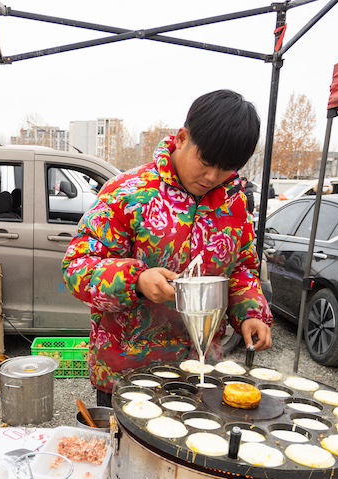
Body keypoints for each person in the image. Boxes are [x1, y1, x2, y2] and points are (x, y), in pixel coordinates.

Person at [62, 89, 273, 407]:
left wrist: (250, 313)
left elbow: (241, 268)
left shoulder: (234, 204)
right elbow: (77, 268)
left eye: (226, 169)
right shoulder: (128, 193)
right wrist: (136, 280)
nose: (212, 177)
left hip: (201, 371)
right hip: (128, 373)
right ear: (182, 138)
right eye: (205, 162)